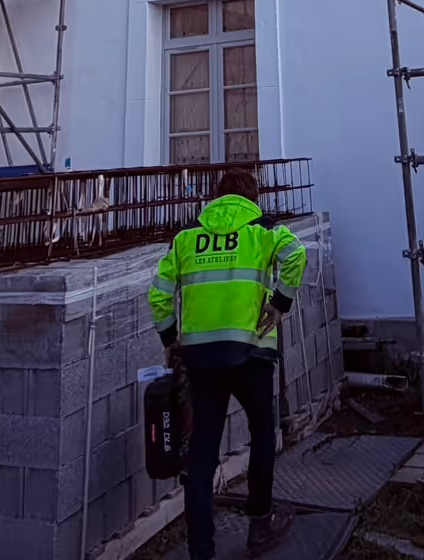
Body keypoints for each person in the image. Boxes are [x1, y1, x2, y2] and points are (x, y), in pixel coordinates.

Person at [148, 166, 308, 559]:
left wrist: (170, 340)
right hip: (252, 354)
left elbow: (159, 294)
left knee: (202, 453)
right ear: (252, 198)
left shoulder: (186, 238)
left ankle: (201, 550)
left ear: (217, 197)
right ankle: (259, 525)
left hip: (202, 359)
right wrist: (279, 303)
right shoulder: (262, 231)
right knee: (263, 432)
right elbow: (297, 254)